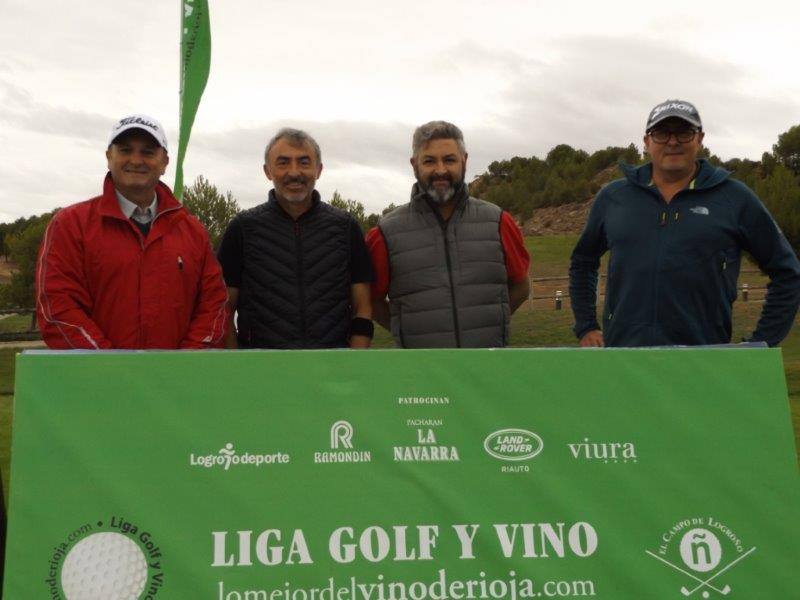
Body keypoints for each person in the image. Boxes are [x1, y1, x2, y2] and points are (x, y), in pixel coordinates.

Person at [570, 99, 800, 347]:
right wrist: (586, 326)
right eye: (661, 133)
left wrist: (762, 342)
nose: (672, 141)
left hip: (704, 361)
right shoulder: (614, 197)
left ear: (700, 139)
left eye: (683, 132)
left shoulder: (734, 198)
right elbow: (583, 262)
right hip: (625, 357)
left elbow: (787, 272)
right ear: (647, 142)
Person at [36, 114, 228, 349]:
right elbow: (58, 309)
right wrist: (116, 370)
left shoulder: (193, 230)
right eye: (126, 150)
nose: (136, 160)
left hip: (177, 381)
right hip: (96, 381)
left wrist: (184, 365)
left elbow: (214, 305)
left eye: (148, 152)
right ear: (109, 157)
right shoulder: (69, 225)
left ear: (165, 162)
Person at [366, 120, 531, 348]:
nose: (440, 170)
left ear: (464, 160)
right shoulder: (385, 232)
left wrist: (493, 321)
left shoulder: (499, 221)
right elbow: (371, 300)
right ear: (414, 165)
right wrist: (403, 329)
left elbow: (522, 287)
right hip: (422, 372)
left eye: (450, 159)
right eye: (429, 161)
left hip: (488, 367)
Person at [216, 128, 374, 349]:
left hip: (333, 368)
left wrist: (354, 362)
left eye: (304, 162)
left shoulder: (345, 227)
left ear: (318, 170)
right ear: (267, 171)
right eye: (283, 163)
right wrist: (237, 365)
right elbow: (223, 307)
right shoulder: (242, 228)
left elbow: (363, 306)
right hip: (262, 367)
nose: (294, 172)